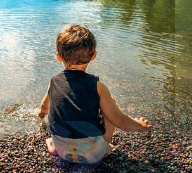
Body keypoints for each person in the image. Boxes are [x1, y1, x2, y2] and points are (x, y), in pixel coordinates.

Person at [38, 24, 152, 164]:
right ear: (93, 56)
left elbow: (44, 106)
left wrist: (41, 115)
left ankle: (53, 145)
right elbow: (119, 120)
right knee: (111, 104)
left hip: (62, 150)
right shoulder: (98, 87)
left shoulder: (54, 81)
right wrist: (140, 126)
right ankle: (105, 146)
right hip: (91, 154)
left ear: (59, 57)